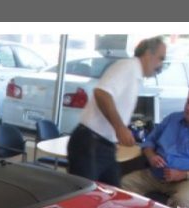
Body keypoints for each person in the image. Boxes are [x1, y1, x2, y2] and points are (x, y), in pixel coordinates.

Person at [67, 36, 167, 185]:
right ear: (148, 54)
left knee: (112, 194)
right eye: (160, 58)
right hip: (90, 143)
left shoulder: (135, 75)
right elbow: (102, 93)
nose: (161, 65)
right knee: (85, 195)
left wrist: (118, 134)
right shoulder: (128, 67)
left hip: (104, 146)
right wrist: (120, 128)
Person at [121, 85, 189, 208]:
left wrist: (183, 174)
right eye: (188, 102)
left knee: (182, 200)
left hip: (187, 181)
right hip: (155, 175)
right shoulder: (172, 119)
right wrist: (151, 156)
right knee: (123, 184)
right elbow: (149, 141)